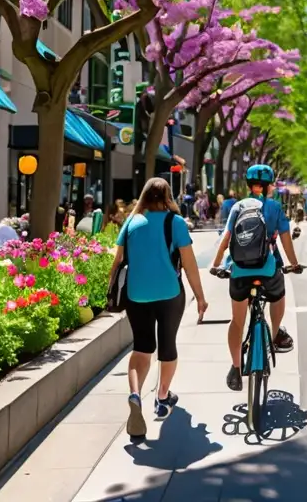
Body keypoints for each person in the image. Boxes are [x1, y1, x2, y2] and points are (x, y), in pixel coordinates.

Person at [108, 178, 206, 438]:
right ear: (168, 197)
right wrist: (200, 297)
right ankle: (162, 397)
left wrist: (111, 294)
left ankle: (135, 394)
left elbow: (117, 262)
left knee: (141, 349)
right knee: (167, 346)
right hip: (169, 294)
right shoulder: (175, 223)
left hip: (135, 294)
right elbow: (189, 264)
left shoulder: (131, 222)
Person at [210, 164, 302, 392]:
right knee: (278, 294)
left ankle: (234, 367)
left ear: (249, 185)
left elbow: (226, 239)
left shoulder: (238, 207)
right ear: (269, 186)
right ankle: (273, 335)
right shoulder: (274, 207)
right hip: (267, 270)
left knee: (237, 321)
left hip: (240, 271)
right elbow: (286, 240)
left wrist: (215, 265)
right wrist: (294, 264)